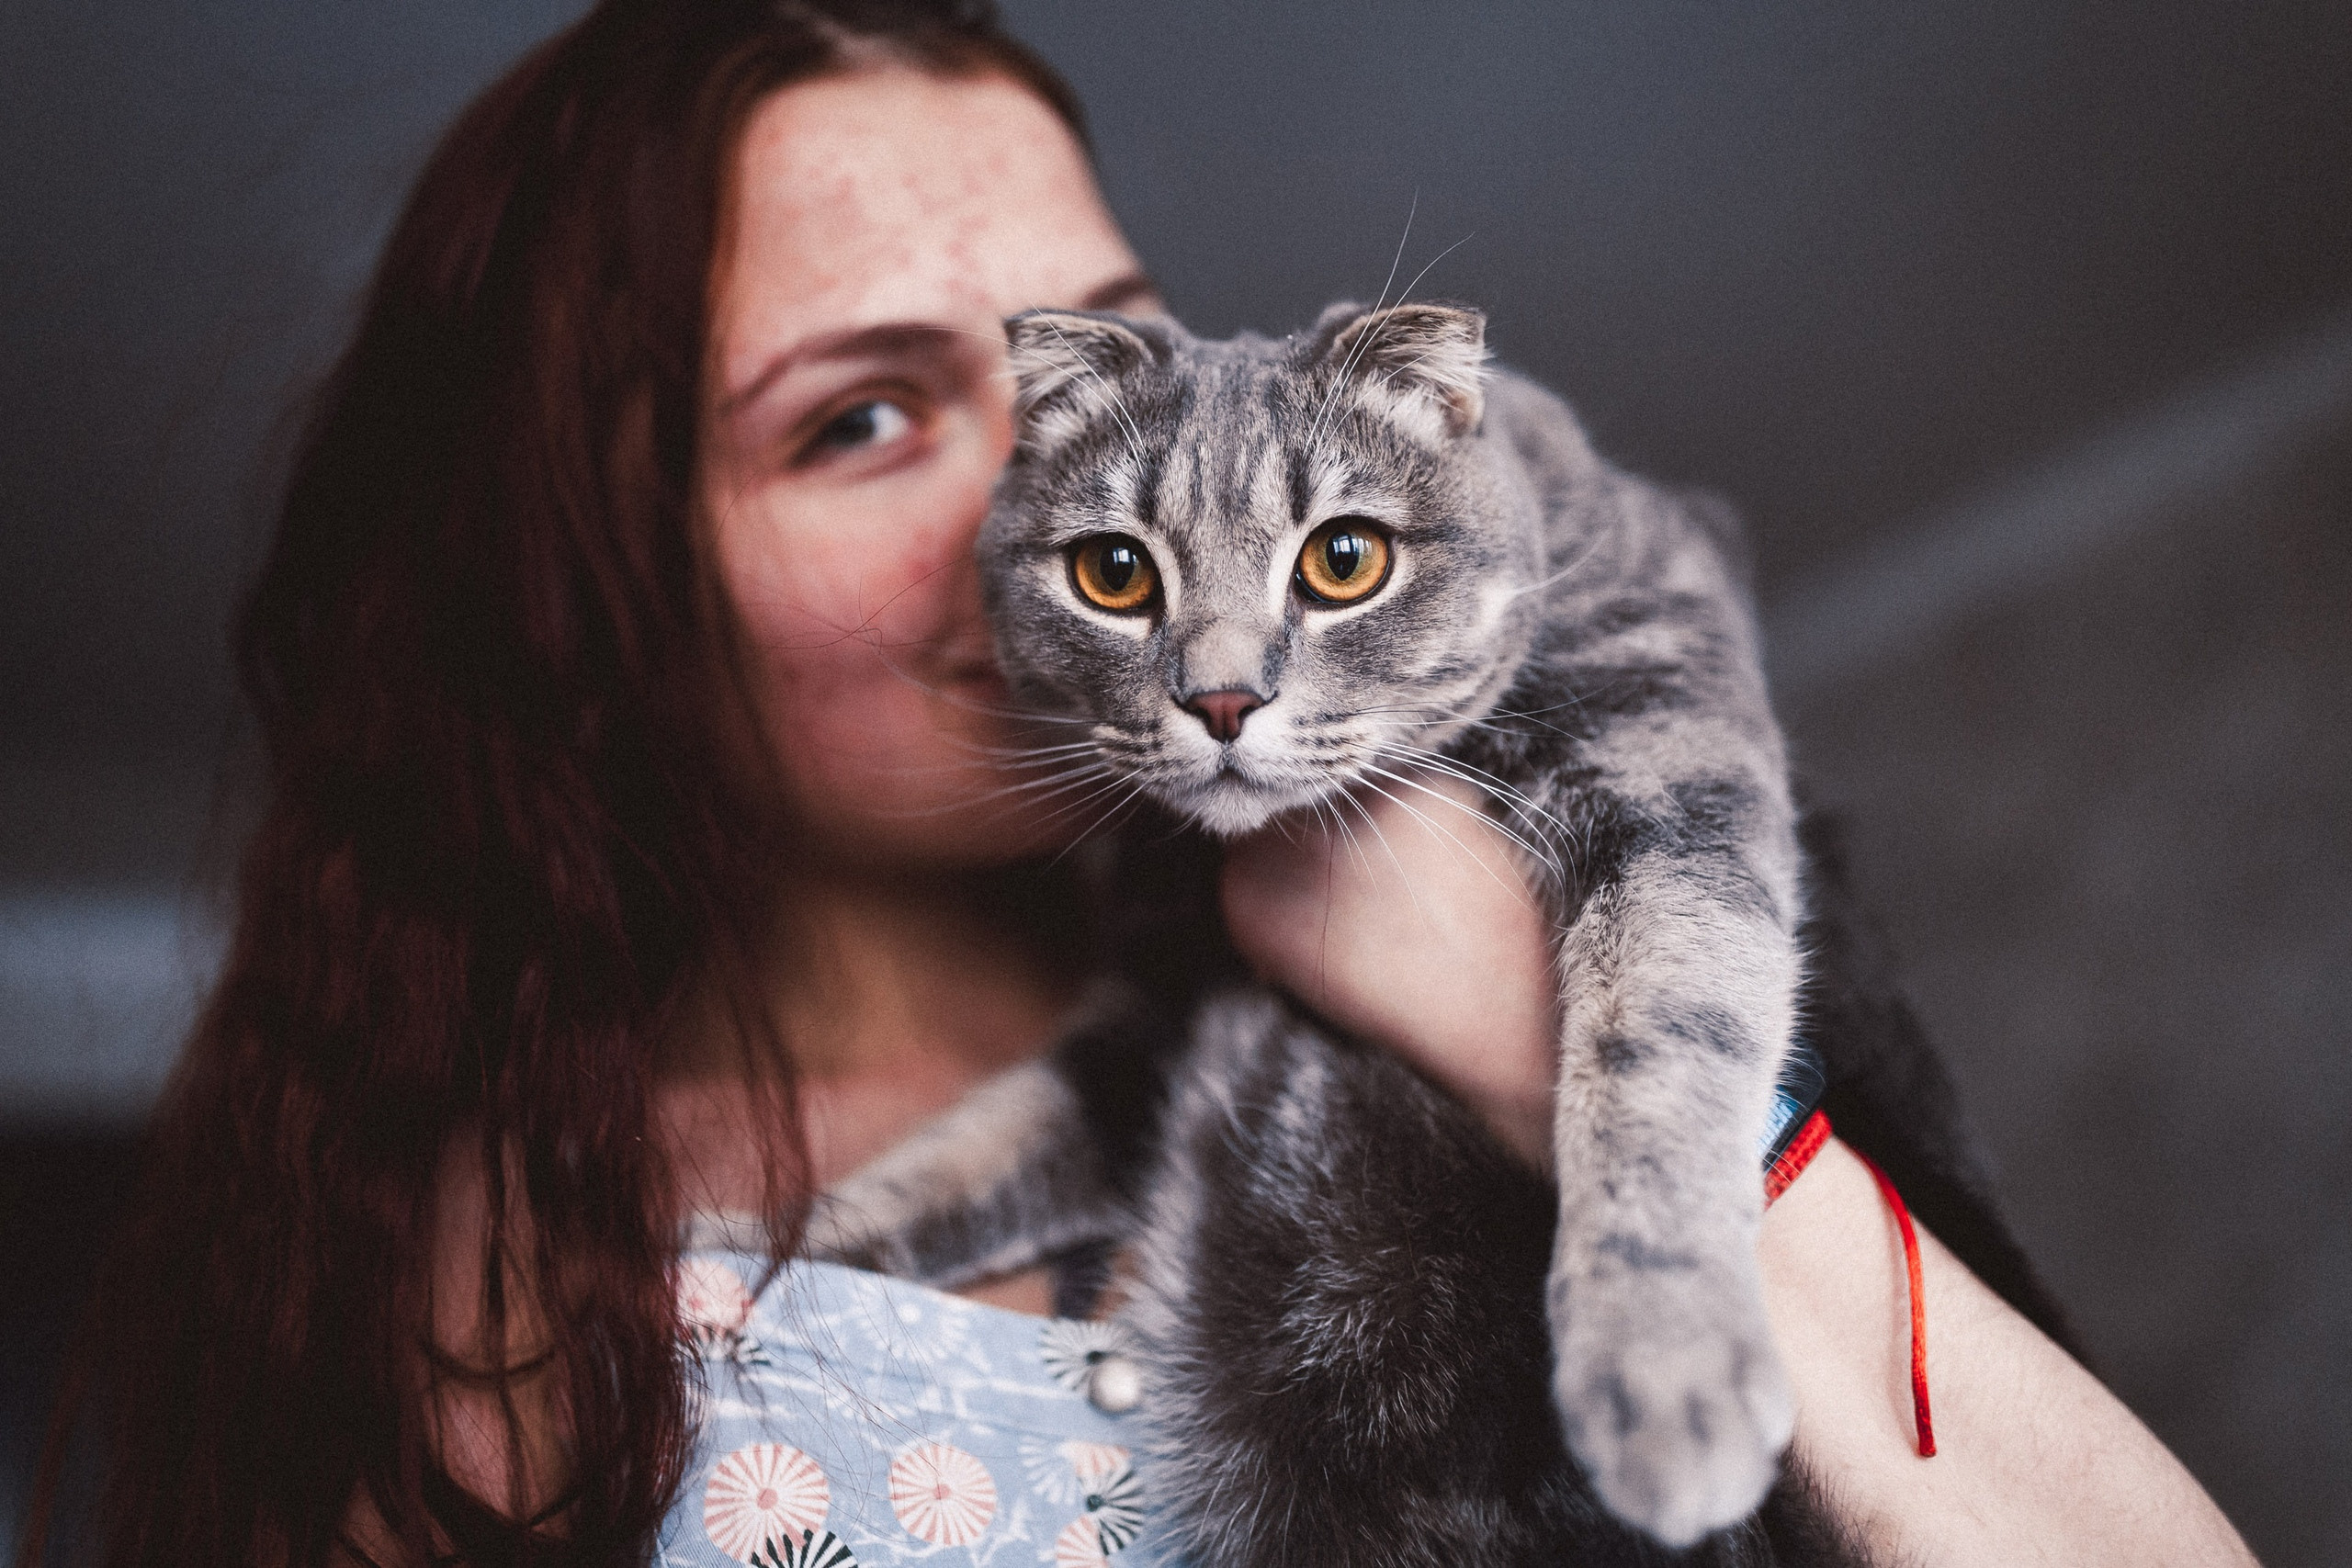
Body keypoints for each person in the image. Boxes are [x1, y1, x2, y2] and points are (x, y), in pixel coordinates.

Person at [28, 3, 2257, 1565]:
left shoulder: (1531, 882)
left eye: (1102, 350)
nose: (1076, 485)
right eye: (861, 417)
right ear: (592, 592)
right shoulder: (503, 1281)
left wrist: (1527, 1034)